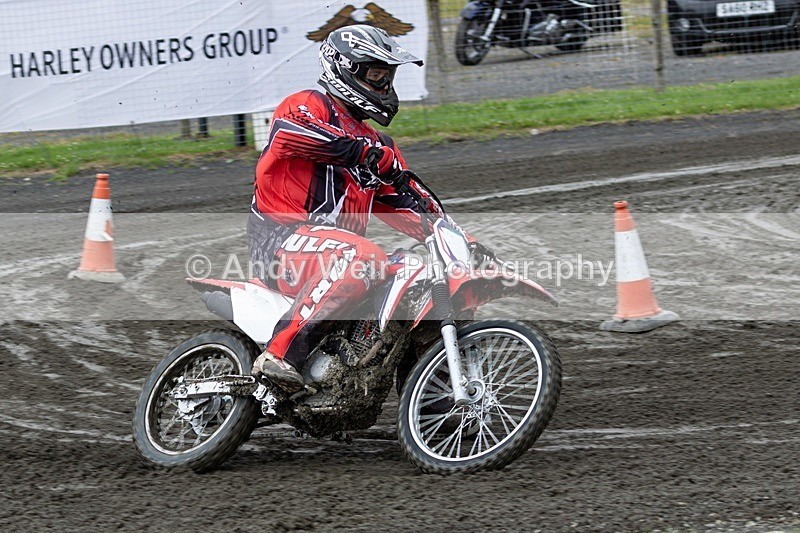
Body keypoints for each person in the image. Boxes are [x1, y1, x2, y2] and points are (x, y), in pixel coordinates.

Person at [248, 24, 454, 392]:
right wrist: (364, 154)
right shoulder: (307, 105)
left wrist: (452, 238)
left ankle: (434, 399)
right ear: (346, 68)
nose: (384, 85)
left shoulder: (378, 142)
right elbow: (291, 135)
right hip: (281, 242)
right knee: (364, 257)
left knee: (421, 273)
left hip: (337, 251)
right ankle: (280, 355)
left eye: (387, 76)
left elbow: (406, 201)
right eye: (376, 75)